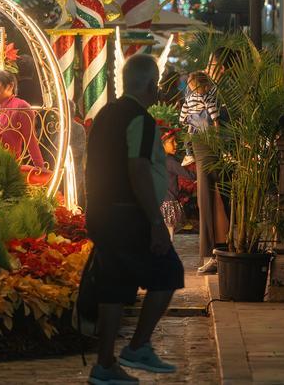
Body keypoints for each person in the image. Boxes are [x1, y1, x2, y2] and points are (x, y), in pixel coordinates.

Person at [85, 54, 183, 383]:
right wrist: (156, 223)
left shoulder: (105, 113)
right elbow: (137, 167)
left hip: (103, 210)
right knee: (169, 272)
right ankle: (138, 345)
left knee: (114, 286)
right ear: (152, 86)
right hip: (130, 215)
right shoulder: (138, 118)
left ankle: (105, 364)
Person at [179, 70, 226, 274]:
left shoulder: (208, 96)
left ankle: (214, 251)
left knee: (209, 197)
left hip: (205, 145)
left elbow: (184, 119)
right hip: (206, 144)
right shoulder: (209, 95)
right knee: (210, 197)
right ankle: (214, 250)